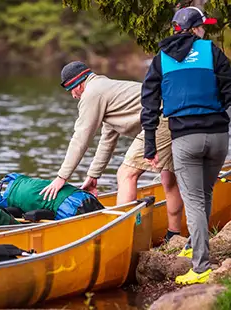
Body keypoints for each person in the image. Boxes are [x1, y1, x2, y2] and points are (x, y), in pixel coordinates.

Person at [40, 61, 183, 242]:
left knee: (126, 173)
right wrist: (93, 176)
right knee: (168, 178)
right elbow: (107, 141)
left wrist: (61, 178)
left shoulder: (92, 93)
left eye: (71, 91)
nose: (73, 96)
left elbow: (80, 138)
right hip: (175, 115)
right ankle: (174, 236)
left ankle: (122, 237)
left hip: (161, 119)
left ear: (79, 84)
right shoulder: (106, 89)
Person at [141, 6, 231, 284]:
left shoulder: (161, 59)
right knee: (203, 193)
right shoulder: (212, 51)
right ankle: (194, 243)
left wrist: (150, 144)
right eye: (203, 26)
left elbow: (149, 103)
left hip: (185, 138)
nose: (205, 30)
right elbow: (229, 89)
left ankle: (201, 266)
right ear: (194, 29)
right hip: (218, 136)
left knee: (192, 199)